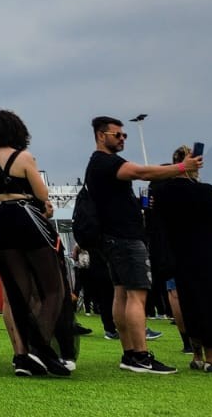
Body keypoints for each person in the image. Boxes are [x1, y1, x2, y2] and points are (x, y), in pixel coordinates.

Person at [84, 115, 202, 374]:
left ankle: (130, 353)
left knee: (122, 293)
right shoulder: (106, 162)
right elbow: (141, 172)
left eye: (124, 135)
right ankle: (140, 354)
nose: (122, 138)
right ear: (101, 136)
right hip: (124, 237)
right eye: (118, 135)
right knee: (136, 295)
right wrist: (182, 168)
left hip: (113, 237)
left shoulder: (97, 164)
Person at [0, 110, 74, 377]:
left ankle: (23, 356)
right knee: (53, 289)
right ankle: (38, 349)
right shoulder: (24, 157)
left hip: (2, 223)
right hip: (27, 218)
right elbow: (42, 193)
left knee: (19, 294)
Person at [151, 144, 212, 373]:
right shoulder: (206, 191)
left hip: (178, 255)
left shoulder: (161, 192)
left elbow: (155, 223)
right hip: (207, 253)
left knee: (188, 304)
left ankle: (196, 354)